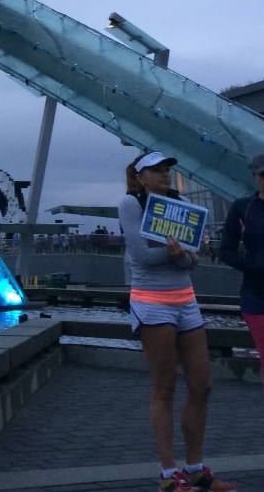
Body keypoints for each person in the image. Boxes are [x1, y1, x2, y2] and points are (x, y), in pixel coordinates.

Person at [118, 152, 236, 492]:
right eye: (155, 170)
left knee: (202, 384)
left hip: (185, 299)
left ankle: (196, 469)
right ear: (140, 177)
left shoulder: (180, 203)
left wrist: (183, 255)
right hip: (152, 301)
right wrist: (179, 252)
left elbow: (191, 262)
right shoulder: (131, 204)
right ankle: (169, 474)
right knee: (165, 385)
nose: (164, 174)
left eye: (167, 169)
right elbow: (142, 256)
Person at [219, 152, 264, 391]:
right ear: (255, 177)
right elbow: (226, 250)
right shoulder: (243, 207)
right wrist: (255, 266)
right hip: (256, 296)